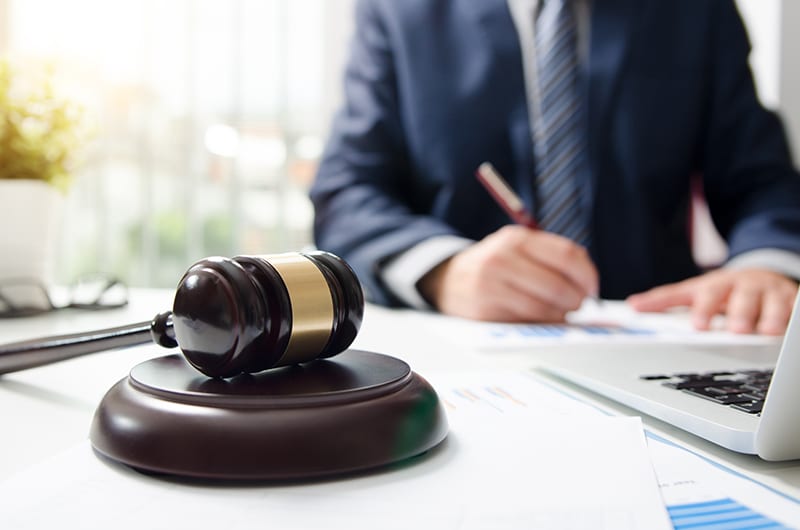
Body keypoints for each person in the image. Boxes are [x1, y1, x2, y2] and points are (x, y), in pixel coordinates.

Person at [310, 0, 800, 335]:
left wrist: (765, 264)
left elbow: (762, 179)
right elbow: (348, 191)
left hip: (658, 339)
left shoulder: (696, 11)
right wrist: (445, 270)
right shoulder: (400, 12)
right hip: (471, 351)